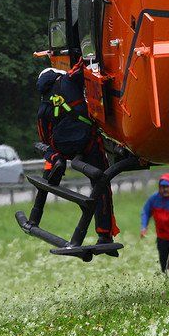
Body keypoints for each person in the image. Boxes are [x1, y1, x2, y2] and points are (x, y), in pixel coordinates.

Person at [36, 62, 118, 247]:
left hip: (63, 148)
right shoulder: (68, 80)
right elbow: (84, 66)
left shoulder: (43, 108)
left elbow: (44, 137)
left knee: (46, 148)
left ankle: (56, 161)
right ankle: (104, 234)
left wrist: (57, 151)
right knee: (101, 184)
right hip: (87, 142)